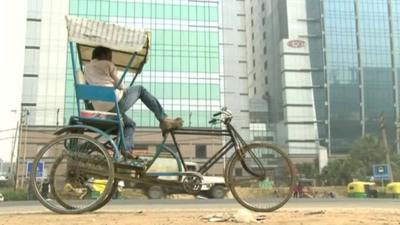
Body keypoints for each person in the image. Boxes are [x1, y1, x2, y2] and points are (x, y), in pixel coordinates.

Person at [84, 46, 183, 159]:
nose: (111, 59)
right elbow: (120, 86)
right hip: (114, 103)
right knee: (140, 90)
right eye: (110, 56)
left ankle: (126, 149)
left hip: (100, 109)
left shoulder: (86, 68)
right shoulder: (107, 64)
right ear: (103, 56)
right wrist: (122, 88)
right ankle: (163, 119)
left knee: (130, 124)